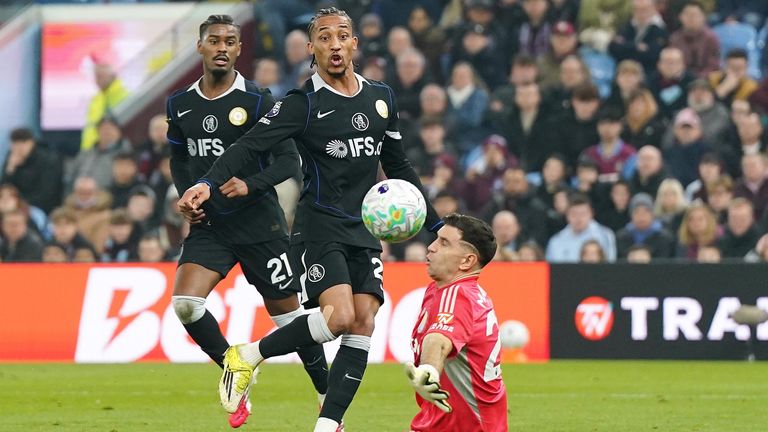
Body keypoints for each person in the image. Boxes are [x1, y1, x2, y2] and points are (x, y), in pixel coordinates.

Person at [178, 9, 442, 432]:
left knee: (364, 321)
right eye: (324, 37)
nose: (335, 44)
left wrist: (437, 225)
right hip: (319, 225)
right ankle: (248, 355)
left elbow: (398, 165)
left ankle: (328, 424)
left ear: (354, 43)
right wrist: (208, 183)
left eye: (342, 35)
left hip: (365, 228)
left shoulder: (382, 98)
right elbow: (248, 146)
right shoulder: (301, 104)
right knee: (339, 318)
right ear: (311, 48)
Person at [166, 15, 330, 429]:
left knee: (290, 320)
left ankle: (326, 394)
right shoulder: (180, 104)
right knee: (185, 304)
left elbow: (289, 161)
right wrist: (188, 197)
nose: (222, 47)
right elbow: (180, 159)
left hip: (260, 225)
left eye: (230, 41)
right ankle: (234, 368)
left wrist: (251, 184)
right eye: (214, 40)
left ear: (240, 49)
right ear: (200, 47)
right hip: (211, 225)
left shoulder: (258, 100)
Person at [405, 213, 507, 431]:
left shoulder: (458, 295)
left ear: (467, 261)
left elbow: (439, 339)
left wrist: (429, 372)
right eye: (436, 239)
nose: (431, 247)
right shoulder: (444, 290)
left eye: (444, 243)